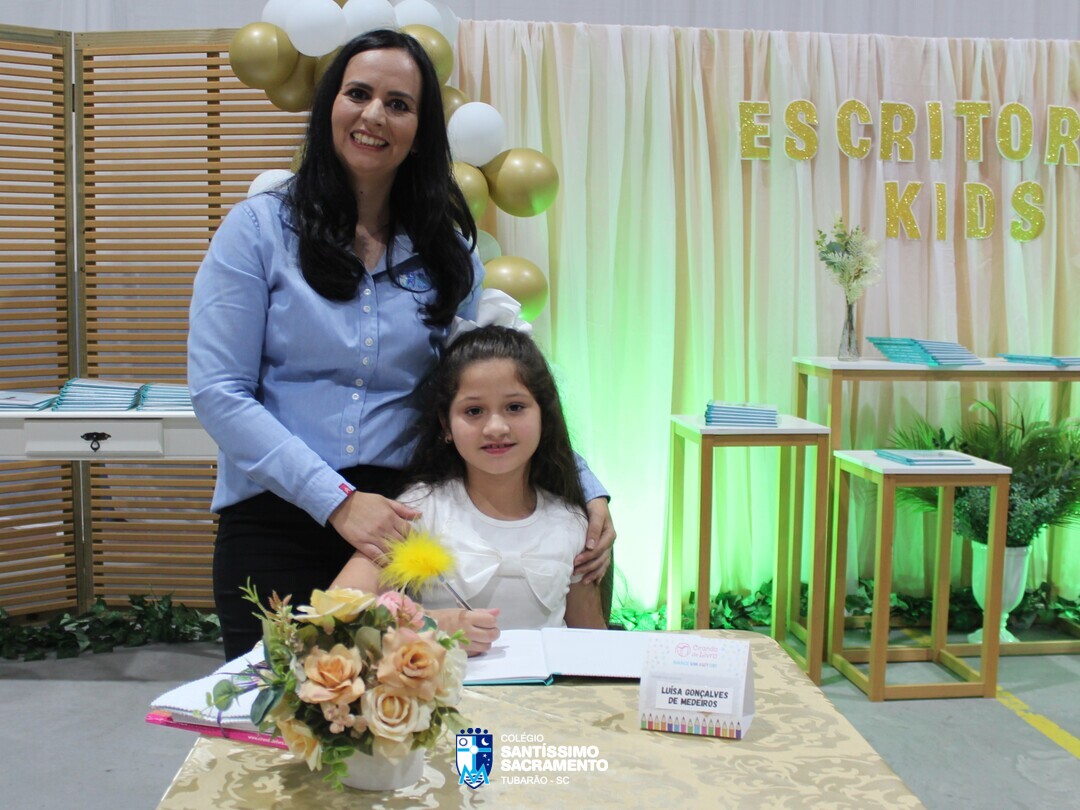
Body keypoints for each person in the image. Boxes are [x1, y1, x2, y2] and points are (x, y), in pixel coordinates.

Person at [187, 29, 614, 661]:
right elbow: (218, 393)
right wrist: (336, 501)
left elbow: (489, 382)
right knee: (283, 704)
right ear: (329, 104)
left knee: (411, 707)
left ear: (421, 129)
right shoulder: (256, 231)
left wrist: (585, 483)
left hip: (404, 525)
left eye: (399, 104)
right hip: (275, 516)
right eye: (358, 94)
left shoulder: (449, 251)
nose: (374, 116)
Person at [332, 325, 607, 646]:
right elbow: (336, 615)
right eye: (474, 411)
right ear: (446, 424)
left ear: (544, 415)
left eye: (515, 407)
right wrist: (430, 626)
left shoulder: (570, 521)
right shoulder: (419, 511)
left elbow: (595, 645)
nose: (496, 427)